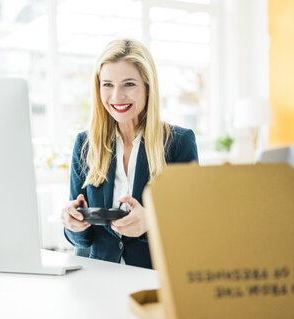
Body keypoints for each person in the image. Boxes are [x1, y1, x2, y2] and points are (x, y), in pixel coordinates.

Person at [60, 39, 198, 269]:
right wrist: (73, 224)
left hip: (156, 280)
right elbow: (83, 242)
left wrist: (152, 222)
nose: (116, 96)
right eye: (107, 84)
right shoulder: (85, 144)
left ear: (147, 86)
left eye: (129, 84)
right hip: (100, 279)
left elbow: (194, 227)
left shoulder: (178, 142)